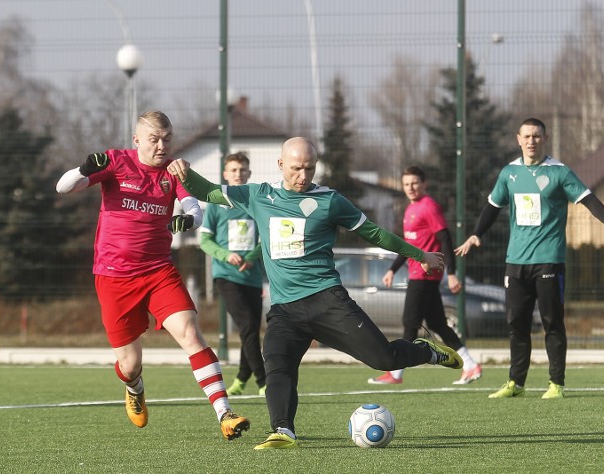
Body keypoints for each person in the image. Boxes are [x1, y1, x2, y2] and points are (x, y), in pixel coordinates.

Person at [167, 137, 463, 450]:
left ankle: (426, 351)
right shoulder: (258, 195)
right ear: (281, 165)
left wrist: (421, 255)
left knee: (384, 359)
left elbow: (375, 233)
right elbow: (209, 191)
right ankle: (283, 430)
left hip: (327, 301)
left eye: (309, 168)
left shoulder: (330, 200)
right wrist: (184, 174)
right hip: (284, 310)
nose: (303, 176)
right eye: (296, 168)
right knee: (277, 365)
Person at [55, 111, 250, 440]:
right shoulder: (116, 162)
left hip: (159, 271)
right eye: (154, 139)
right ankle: (134, 388)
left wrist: (187, 219)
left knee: (190, 332)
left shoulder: (174, 172)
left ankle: (224, 414)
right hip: (114, 276)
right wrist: (85, 168)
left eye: (167, 139)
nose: (161, 146)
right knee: (129, 365)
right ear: (137, 140)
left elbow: (195, 209)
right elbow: (63, 187)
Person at [455, 118, 604, 400]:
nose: (531, 141)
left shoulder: (559, 172)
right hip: (515, 261)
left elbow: (588, 198)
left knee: (552, 322)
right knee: (517, 324)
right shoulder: (509, 173)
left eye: (537, 136)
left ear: (545, 138)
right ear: (518, 139)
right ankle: (516, 382)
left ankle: (556, 384)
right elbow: (492, 206)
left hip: (549, 260)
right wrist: (476, 234)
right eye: (526, 136)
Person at [370, 166, 482, 385]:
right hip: (418, 275)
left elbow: (446, 239)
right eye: (406, 184)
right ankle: (470, 365)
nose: (410, 188)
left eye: (414, 183)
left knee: (410, 323)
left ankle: (396, 373)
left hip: (425, 276)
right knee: (438, 324)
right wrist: (393, 269)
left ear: (424, 184)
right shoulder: (411, 209)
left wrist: (451, 273)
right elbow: (409, 245)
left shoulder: (429, 207)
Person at [199, 152, 267, 397]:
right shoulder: (216, 204)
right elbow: (205, 241)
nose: (238, 174)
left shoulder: (257, 203)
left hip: (252, 275)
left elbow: (268, 238)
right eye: (233, 170)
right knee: (247, 324)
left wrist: (251, 257)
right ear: (225, 175)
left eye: (242, 169)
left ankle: (240, 379)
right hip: (226, 276)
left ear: (249, 173)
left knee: (250, 330)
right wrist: (226, 255)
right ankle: (264, 381)